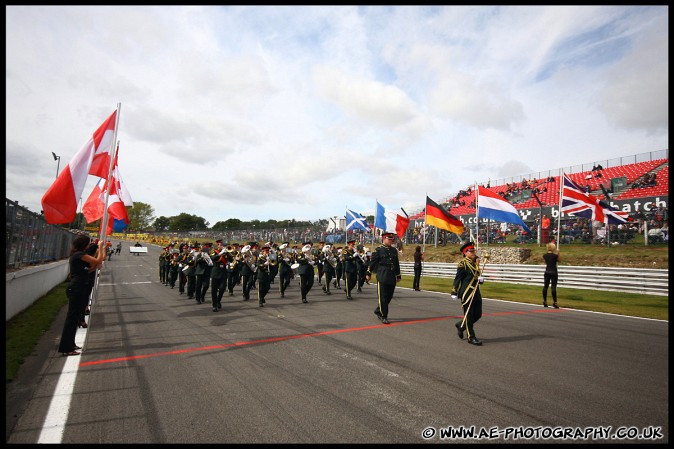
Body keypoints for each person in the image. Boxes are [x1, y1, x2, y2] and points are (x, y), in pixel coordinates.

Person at [58, 234, 105, 356]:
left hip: (79, 287)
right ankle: (66, 347)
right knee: (72, 318)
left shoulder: (79, 256)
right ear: (84, 245)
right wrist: (100, 247)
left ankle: (70, 344)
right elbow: (98, 260)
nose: (89, 245)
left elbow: (91, 268)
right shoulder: (79, 255)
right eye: (88, 243)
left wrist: (100, 254)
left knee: (75, 318)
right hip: (76, 288)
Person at [451, 242, 484, 346]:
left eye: (474, 250)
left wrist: (481, 280)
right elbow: (458, 278)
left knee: (478, 314)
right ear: (465, 253)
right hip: (467, 292)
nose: (473, 252)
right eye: (471, 251)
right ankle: (471, 337)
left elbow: (476, 278)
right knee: (469, 316)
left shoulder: (475, 263)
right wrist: (454, 291)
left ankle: (461, 325)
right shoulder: (463, 264)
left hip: (476, 292)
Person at [366, 232, 401, 325]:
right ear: (384, 239)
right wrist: (368, 274)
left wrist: (398, 275)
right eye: (390, 239)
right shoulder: (379, 250)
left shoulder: (393, 250)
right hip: (382, 276)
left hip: (391, 276)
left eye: (392, 239)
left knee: (389, 297)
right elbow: (372, 263)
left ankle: (378, 310)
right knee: (383, 298)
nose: (391, 241)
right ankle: (383, 316)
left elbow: (396, 263)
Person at [542, 242, 560, 308]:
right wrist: (558, 253)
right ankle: (555, 302)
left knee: (545, 286)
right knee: (553, 287)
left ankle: (544, 301)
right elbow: (559, 260)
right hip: (553, 271)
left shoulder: (545, 255)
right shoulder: (555, 256)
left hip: (547, 271)